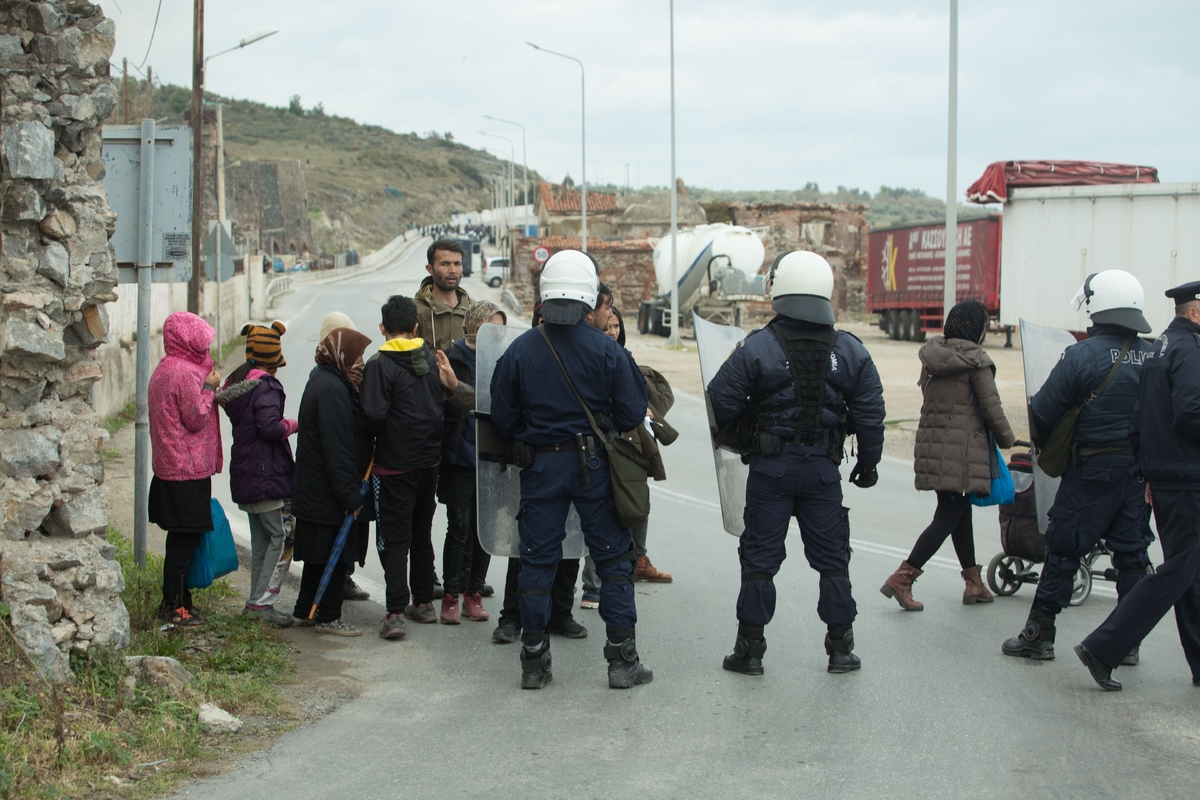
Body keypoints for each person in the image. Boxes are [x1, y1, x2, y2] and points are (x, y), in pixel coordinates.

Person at [708, 251, 885, 675]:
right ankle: (840, 649)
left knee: (759, 560)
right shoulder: (850, 350)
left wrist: (749, 439)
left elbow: (720, 403)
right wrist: (868, 465)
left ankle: (749, 651)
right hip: (823, 472)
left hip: (771, 470)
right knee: (833, 559)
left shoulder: (757, 346)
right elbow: (870, 415)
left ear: (780, 288)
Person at [490, 249, 651, 690]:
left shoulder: (521, 348)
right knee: (614, 560)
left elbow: (502, 417)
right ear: (588, 295)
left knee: (537, 562)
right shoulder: (607, 349)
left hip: (541, 466)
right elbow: (632, 411)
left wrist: (535, 432)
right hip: (594, 467)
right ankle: (622, 662)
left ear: (544, 294)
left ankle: (534, 663)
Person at [1002, 270, 1154, 664]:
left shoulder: (1081, 355)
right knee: (1132, 557)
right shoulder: (1154, 355)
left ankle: (1038, 635)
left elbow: (1042, 411)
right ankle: (1126, 644)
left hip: (1091, 471)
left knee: (1064, 550)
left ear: (1098, 305)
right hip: (1138, 473)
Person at [1075, 281, 1200, 691]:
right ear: (1195, 312)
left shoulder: (1160, 347)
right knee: (1177, 572)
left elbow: (1138, 420)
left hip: (1167, 476)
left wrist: (1148, 473)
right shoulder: (1191, 351)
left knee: (1190, 573)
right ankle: (1102, 647)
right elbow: (1191, 411)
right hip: (1187, 478)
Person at [881, 301, 1016, 611]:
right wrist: (1008, 439)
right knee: (948, 516)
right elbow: (991, 407)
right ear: (976, 328)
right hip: (962, 450)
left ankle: (974, 583)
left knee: (958, 510)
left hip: (934, 444)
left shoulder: (932, 356)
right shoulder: (977, 361)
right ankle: (902, 578)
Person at [361, 296, 445, 638]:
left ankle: (396, 612)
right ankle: (423, 603)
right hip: (429, 463)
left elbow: (372, 415)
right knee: (421, 533)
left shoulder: (379, 364)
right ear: (415, 326)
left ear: (383, 328)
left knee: (393, 539)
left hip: (393, 466)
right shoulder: (430, 358)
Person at [581, 306, 675, 604]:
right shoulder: (590, 357)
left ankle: (637, 561)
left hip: (629, 446)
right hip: (600, 444)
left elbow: (650, 399)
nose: (612, 331)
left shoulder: (625, 358)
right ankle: (593, 586)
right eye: (607, 326)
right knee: (603, 512)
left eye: (616, 326)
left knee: (637, 503)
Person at [291, 326, 374, 636]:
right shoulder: (333, 390)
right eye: (358, 355)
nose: (361, 361)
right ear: (343, 355)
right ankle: (328, 616)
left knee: (317, 557)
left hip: (316, 492)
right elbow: (338, 450)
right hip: (327, 495)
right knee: (335, 556)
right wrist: (351, 497)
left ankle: (304, 611)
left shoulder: (323, 379)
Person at [217, 321, 298, 628]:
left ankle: (255, 602)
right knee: (281, 539)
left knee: (262, 542)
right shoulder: (268, 387)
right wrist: (291, 425)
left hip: (247, 473)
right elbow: (270, 428)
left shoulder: (238, 384)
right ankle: (262, 604)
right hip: (267, 475)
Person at [147, 311, 223, 627]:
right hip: (187, 470)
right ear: (188, 342)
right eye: (202, 344)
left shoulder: (166, 367)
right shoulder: (184, 373)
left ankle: (181, 601)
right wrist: (209, 387)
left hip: (170, 467)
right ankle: (174, 607)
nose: (206, 350)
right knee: (184, 541)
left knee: (180, 538)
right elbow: (195, 417)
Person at [434, 302, 503, 623]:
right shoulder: (453, 357)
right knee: (459, 527)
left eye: (500, 328)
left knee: (484, 530)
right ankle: (450, 595)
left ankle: (474, 593)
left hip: (491, 459)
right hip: (459, 457)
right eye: (491, 326)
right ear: (475, 325)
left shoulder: (502, 359)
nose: (496, 334)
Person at [317, 311, 372, 604]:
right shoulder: (330, 383)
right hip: (340, 472)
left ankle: (346, 574)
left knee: (355, 527)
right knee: (338, 526)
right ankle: (336, 585)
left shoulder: (357, 376)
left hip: (358, 464)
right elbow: (334, 442)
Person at [415, 238, 473, 353]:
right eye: (445, 264)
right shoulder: (416, 311)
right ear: (430, 269)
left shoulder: (473, 310)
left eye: (457, 264)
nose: (453, 270)